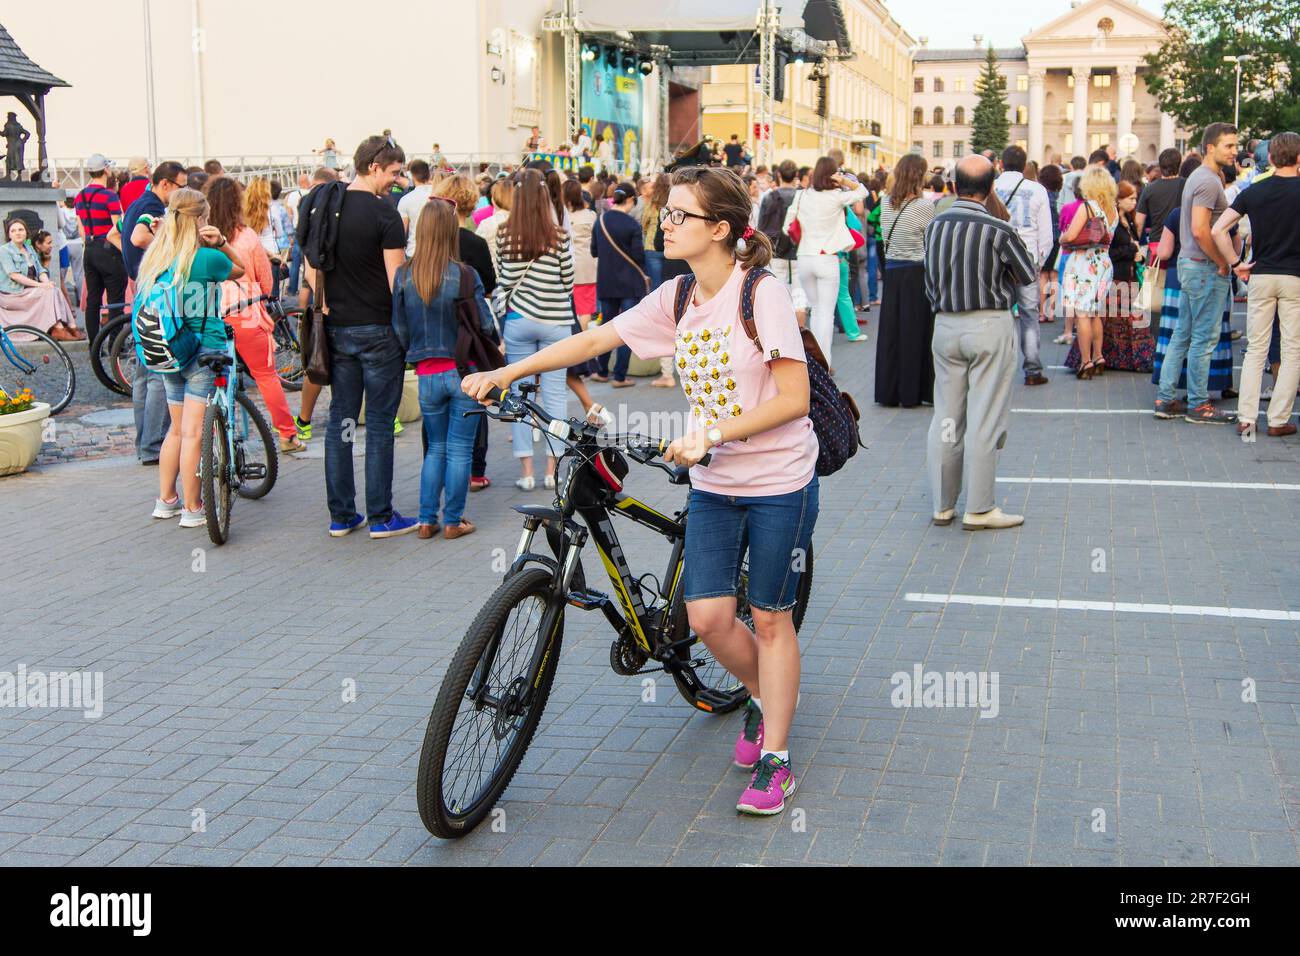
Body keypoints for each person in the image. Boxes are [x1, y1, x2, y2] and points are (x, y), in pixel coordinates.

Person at [463, 165, 819, 816]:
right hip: (716, 481)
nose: (666, 222)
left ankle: (778, 756)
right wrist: (508, 368)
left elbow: (794, 399)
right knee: (710, 618)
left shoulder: (759, 294)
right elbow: (598, 338)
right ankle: (766, 697)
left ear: (720, 228)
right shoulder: (677, 297)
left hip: (778, 481)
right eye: (667, 211)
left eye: (680, 214)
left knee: (769, 618)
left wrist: (712, 435)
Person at [302, 134, 415, 537]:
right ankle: (382, 516)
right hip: (379, 330)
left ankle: (343, 515)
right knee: (381, 424)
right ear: (373, 167)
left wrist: (325, 304)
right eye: (394, 172)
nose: (397, 181)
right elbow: (396, 283)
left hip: (337, 327)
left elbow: (311, 271)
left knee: (341, 421)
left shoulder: (322, 205)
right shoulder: (385, 215)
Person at [922, 154, 1036, 531]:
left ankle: (942, 504)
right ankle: (980, 507)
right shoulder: (997, 229)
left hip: (945, 325)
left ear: (954, 185)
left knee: (947, 417)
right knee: (985, 417)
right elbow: (1026, 274)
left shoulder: (934, 226)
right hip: (988, 324)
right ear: (990, 188)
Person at [136, 187, 246, 526]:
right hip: (203, 349)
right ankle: (193, 507)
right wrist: (221, 241)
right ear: (200, 220)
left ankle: (166, 500)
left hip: (167, 349)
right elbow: (241, 270)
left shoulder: (156, 256)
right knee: (195, 433)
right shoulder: (206, 258)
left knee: (177, 431)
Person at [391, 200, 492, 539]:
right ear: (451, 231)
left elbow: (399, 328)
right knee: (460, 448)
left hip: (427, 374)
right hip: (464, 371)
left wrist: (415, 354)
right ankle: (453, 520)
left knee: (435, 447)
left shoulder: (405, 274)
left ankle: (425, 519)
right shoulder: (465, 274)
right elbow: (487, 326)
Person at [205, 176, 308, 455]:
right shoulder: (247, 237)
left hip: (210, 316)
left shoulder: (198, 238)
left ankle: (210, 440)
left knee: (209, 381)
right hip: (246, 312)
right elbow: (266, 284)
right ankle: (287, 435)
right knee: (265, 376)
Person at [491, 168, 575, 490]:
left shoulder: (503, 234)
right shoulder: (559, 236)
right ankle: (551, 471)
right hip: (555, 323)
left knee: (519, 395)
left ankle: (526, 471)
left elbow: (504, 281)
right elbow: (568, 280)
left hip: (519, 321)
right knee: (554, 396)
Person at [1213, 131, 1300, 437]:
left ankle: (1247, 417)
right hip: (1294, 278)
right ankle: (1278, 419)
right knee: (1292, 351)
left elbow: (1219, 229)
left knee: (1255, 349)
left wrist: (1236, 264)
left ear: (1272, 158)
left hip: (1260, 275)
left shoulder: (1255, 191)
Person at [1153, 123, 1240, 424]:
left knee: (1183, 335)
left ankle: (1166, 398)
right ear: (1211, 147)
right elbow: (1200, 229)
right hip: (1203, 267)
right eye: (1229, 145)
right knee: (1203, 339)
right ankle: (1199, 404)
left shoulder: (1200, 177)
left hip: (1194, 266)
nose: (1235, 151)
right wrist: (1221, 262)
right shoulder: (1207, 180)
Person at [120, 161, 189, 464]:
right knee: (159, 373)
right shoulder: (153, 207)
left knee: (143, 375)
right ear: (165, 184)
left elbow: (117, 234)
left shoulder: (137, 202)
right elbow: (137, 237)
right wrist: (170, 249)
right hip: (156, 292)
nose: (183, 191)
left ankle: (144, 443)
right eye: (180, 185)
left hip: (142, 289)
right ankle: (152, 445)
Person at [785, 156, 868, 366]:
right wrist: (843, 181)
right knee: (826, 314)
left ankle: (815, 360)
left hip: (804, 257)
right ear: (832, 174)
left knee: (816, 309)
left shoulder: (802, 196)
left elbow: (787, 227)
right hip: (827, 258)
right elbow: (862, 192)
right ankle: (825, 362)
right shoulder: (836, 196)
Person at [875, 153, 936, 405]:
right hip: (915, 272)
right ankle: (914, 391)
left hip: (892, 271)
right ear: (919, 176)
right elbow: (930, 241)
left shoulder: (885, 202)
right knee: (914, 333)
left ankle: (889, 391)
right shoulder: (924, 206)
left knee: (891, 332)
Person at [994, 145, 1052, 386]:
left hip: (997, 256)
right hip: (1027, 257)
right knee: (1029, 314)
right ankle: (1032, 369)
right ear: (1025, 165)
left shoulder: (992, 187)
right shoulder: (1037, 190)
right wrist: (1039, 260)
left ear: (1001, 164)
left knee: (1000, 313)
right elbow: (1047, 234)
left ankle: (1000, 370)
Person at [1060, 168, 1119, 379]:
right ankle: (1099, 356)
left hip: (1085, 263)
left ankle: (1086, 362)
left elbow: (1071, 235)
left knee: (1082, 314)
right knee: (1095, 313)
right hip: (1104, 263)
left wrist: (1062, 237)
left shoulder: (1088, 207)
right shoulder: (1113, 209)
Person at [590, 181, 647, 388]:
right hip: (629, 283)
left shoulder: (601, 220)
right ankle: (620, 376)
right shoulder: (632, 225)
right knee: (627, 328)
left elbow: (594, 251)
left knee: (607, 326)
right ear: (631, 199)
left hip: (606, 281)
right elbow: (639, 256)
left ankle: (602, 370)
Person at [74, 154, 127, 343]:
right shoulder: (110, 196)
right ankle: (116, 343)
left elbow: (81, 228)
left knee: (93, 301)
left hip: (89, 249)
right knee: (116, 301)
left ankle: (94, 345)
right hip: (109, 250)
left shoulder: (80, 195)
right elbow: (117, 226)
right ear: (105, 170)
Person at [0, 217, 81, 339]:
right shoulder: (4, 250)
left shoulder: (29, 249)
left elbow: (41, 271)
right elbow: (14, 275)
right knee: (47, 291)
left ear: (26, 232)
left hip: (27, 291)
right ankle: (59, 328)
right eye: (13, 231)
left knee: (54, 289)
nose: (17, 233)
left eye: (21, 229)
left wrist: (47, 282)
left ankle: (70, 326)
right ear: (9, 235)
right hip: (12, 294)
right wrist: (41, 285)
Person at [1037, 163, 1063, 321]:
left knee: (1042, 276)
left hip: (1044, 237)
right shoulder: (1060, 198)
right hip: (1058, 238)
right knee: (1054, 275)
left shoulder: (1040, 196)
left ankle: (1041, 313)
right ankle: (1051, 312)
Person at [397, 160, 434, 255]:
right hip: (437, 253)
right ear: (429, 175)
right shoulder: (439, 194)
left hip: (413, 251)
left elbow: (401, 233)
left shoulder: (406, 200)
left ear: (412, 176)